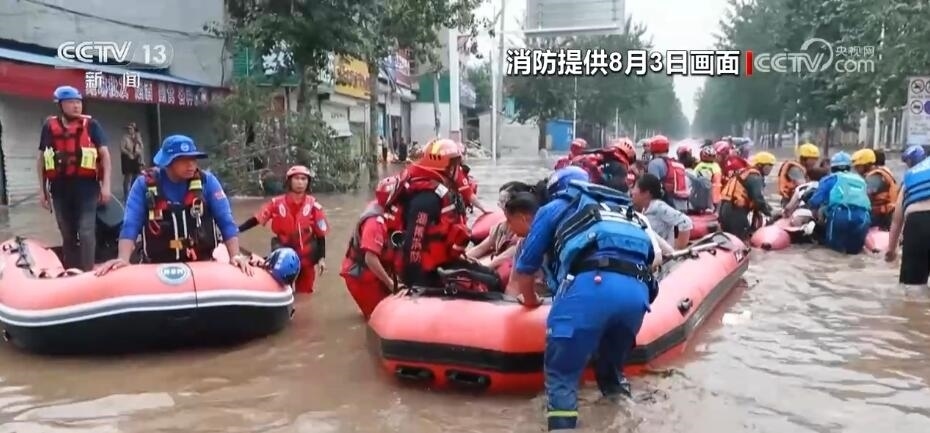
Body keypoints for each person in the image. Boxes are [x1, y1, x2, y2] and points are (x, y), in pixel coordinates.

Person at [505, 166, 665, 431]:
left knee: (562, 378)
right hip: (636, 294)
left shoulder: (553, 208)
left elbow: (525, 267)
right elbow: (649, 257)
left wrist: (531, 301)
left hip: (591, 287)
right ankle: (623, 420)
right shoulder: (620, 210)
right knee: (612, 376)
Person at [95, 135, 248, 276]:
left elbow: (226, 220)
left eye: (193, 159)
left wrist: (235, 255)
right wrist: (123, 258)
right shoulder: (143, 185)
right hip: (156, 266)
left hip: (202, 264)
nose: (191, 165)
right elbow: (130, 225)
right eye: (183, 160)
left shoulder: (207, 182)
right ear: (167, 162)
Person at [39, 85, 113, 271]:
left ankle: (88, 270)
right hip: (59, 189)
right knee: (67, 233)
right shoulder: (49, 127)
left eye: (79, 102)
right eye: (71, 102)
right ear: (60, 105)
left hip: (87, 188)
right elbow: (41, 159)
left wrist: (106, 186)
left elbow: (105, 156)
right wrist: (42, 191)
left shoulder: (92, 125)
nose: (76, 106)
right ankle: (72, 270)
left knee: (86, 231)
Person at [383, 138, 475, 288]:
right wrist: (416, 284)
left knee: (491, 277)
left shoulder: (438, 191)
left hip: (439, 263)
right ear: (445, 167)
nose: (458, 170)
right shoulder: (427, 198)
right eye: (454, 165)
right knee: (487, 282)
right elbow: (414, 243)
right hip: (425, 272)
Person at [238, 165, 329, 293]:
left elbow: (320, 235)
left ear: (308, 182)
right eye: (296, 178)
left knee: (305, 294)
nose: (300, 182)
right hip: (283, 257)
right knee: (282, 290)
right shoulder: (276, 203)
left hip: (306, 258)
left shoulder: (314, 206)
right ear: (289, 181)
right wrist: (235, 231)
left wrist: (321, 258)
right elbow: (257, 219)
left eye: (303, 179)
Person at [341, 176, 400, 319]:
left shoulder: (384, 208)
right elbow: (370, 258)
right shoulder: (375, 222)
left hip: (374, 272)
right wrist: (391, 284)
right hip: (363, 277)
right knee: (378, 318)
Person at [807, 152, 872, 254]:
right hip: (863, 216)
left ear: (832, 168)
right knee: (855, 252)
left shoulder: (829, 179)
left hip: (839, 215)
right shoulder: (861, 180)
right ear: (849, 167)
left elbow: (815, 201)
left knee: (834, 252)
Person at [465, 182, 531, 275]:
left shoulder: (523, 233)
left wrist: (482, 269)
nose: (500, 204)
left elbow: (505, 256)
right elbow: (481, 248)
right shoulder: (501, 227)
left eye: (504, 201)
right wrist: (462, 258)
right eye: (500, 201)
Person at [885, 156, 930, 284]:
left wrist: (891, 250)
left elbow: (896, 219)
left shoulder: (913, 172)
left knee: (912, 287)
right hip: (917, 221)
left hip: (917, 223)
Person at [718, 151, 776, 239]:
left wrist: (769, 208)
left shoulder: (746, 173)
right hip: (735, 211)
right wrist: (769, 214)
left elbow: (757, 199)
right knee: (741, 238)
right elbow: (758, 199)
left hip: (726, 208)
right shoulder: (754, 177)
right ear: (760, 165)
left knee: (732, 237)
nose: (771, 168)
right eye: (769, 165)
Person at [631, 173, 692, 249]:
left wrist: (678, 251)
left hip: (665, 255)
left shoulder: (658, 207)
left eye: (635, 187)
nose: (632, 192)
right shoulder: (645, 209)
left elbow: (685, 222)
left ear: (646, 193)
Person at [851, 148, 898, 230]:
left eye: (858, 166)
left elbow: (864, 196)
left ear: (867, 164)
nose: (856, 169)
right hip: (883, 214)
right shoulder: (878, 173)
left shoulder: (875, 177)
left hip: (881, 217)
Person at [120, 122, 145, 199]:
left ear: (134, 130)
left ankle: (133, 193)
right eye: (129, 129)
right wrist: (128, 153)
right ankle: (126, 195)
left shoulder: (137, 138)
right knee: (128, 176)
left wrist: (141, 159)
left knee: (136, 175)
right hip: (127, 158)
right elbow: (122, 148)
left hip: (135, 157)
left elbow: (141, 148)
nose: (129, 130)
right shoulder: (125, 137)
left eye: (131, 129)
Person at [694, 145, 722, 210]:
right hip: (705, 188)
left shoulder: (700, 165)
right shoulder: (715, 166)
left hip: (706, 188)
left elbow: (694, 176)